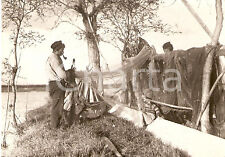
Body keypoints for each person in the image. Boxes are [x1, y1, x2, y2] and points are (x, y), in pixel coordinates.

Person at [46, 40, 67, 128]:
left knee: (57, 105)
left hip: (54, 83)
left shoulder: (53, 57)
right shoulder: (54, 58)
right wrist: (69, 74)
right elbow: (61, 74)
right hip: (57, 84)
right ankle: (55, 127)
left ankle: (56, 125)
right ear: (57, 49)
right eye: (62, 50)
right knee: (57, 106)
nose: (63, 51)